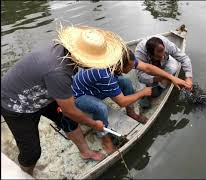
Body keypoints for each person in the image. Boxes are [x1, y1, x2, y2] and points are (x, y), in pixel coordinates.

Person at [0, 25, 126, 175]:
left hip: (41, 91)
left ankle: (85, 152)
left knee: (68, 120)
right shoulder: (58, 72)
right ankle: (25, 175)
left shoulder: (64, 52)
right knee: (32, 152)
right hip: (16, 104)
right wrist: (94, 124)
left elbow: (68, 109)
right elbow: (70, 109)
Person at [64, 49, 190, 153]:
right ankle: (105, 139)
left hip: (94, 88)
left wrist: (171, 77)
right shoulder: (105, 75)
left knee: (126, 82)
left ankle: (131, 113)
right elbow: (121, 102)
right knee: (100, 108)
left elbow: (146, 67)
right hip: (78, 97)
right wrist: (143, 92)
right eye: (130, 67)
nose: (132, 68)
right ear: (120, 65)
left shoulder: (118, 61)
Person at [135, 35, 193, 108]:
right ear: (150, 54)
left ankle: (161, 86)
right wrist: (162, 78)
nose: (162, 56)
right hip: (147, 69)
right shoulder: (140, 53)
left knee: (173, 68)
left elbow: (184, 58)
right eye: (159, 56)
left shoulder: (167, 45)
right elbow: (140, 76)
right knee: (145, 98)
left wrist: (189, 78)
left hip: (165, 63)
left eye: (163, 53)